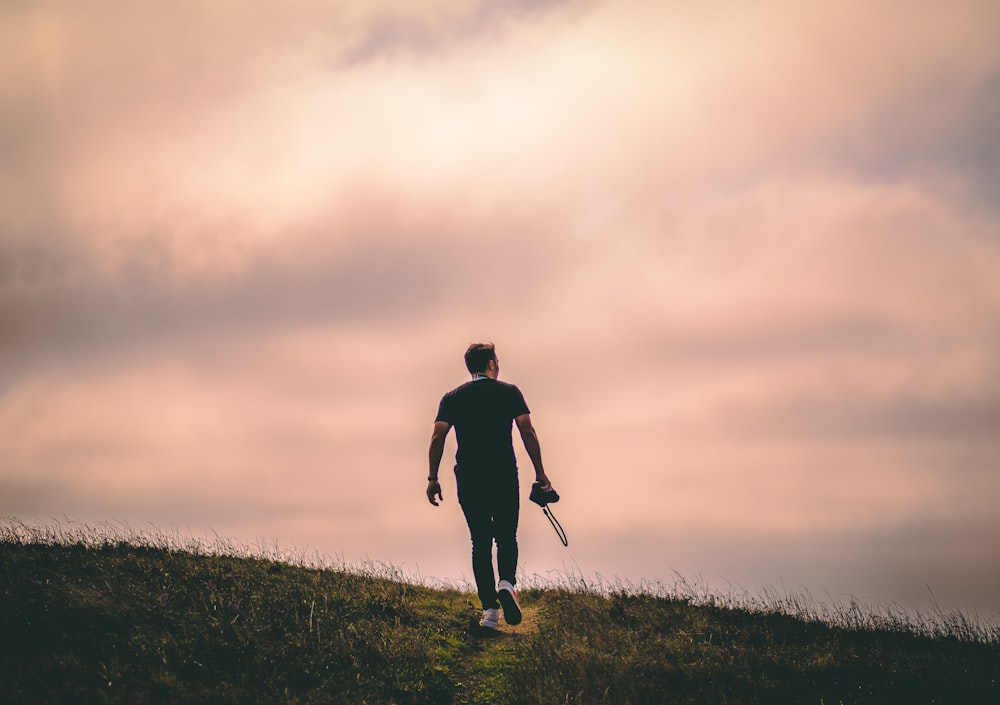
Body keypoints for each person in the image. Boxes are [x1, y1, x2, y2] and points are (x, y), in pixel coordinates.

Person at [427, 342, 553, 630]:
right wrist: (540, 472)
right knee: (507, 536)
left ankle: (490, 613)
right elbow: (527, 430)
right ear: (492, 364)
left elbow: (437, 437)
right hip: (503, 475)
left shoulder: (452, 397)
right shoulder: (509, 392)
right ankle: (507, 583)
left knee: (480, 542)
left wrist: (433, 478)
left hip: (469, 478)